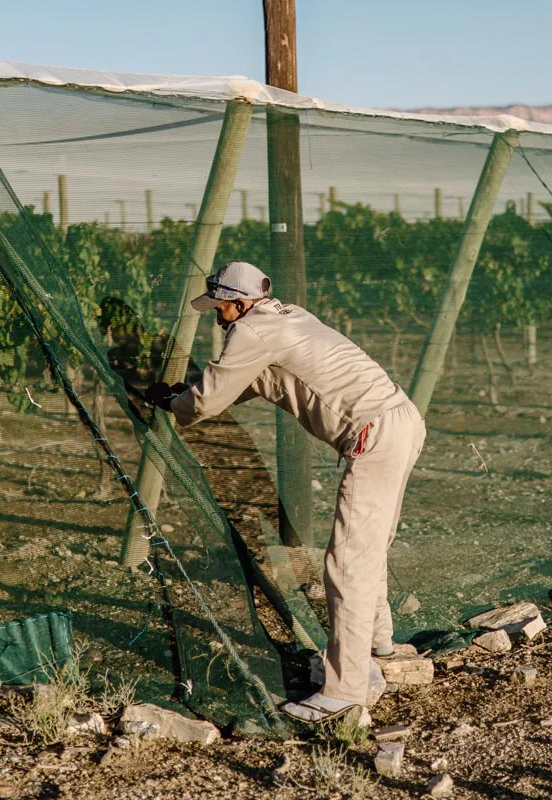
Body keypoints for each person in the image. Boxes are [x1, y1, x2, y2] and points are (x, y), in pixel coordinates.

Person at [145, 261, 425, 725]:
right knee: (370, 547)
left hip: (373, 436)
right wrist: (188, 391)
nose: (216, 316)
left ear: (238, 302)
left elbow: (208, 401)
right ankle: (380, 644)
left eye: (219, 306)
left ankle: (344, 691)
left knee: (346, 563)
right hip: (402, 419)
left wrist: (175, 402)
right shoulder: (290, 316)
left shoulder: (251, 332)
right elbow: (259, 381)